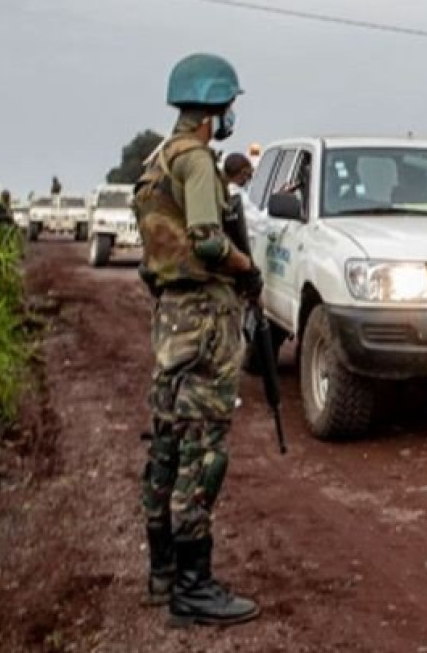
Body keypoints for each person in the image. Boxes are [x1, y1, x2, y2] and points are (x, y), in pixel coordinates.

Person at [132, 53, 264, 626]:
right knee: (202, 451)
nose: (230, 115)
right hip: (205, 319)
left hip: (169, 319)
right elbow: (209, 243)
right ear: (213, 110)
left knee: (166, 442)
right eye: (228, 105)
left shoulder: (156, 162)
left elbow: (156, 253)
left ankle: (163, 574)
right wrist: (245, 269)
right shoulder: (198, 164)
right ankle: (194, 587)